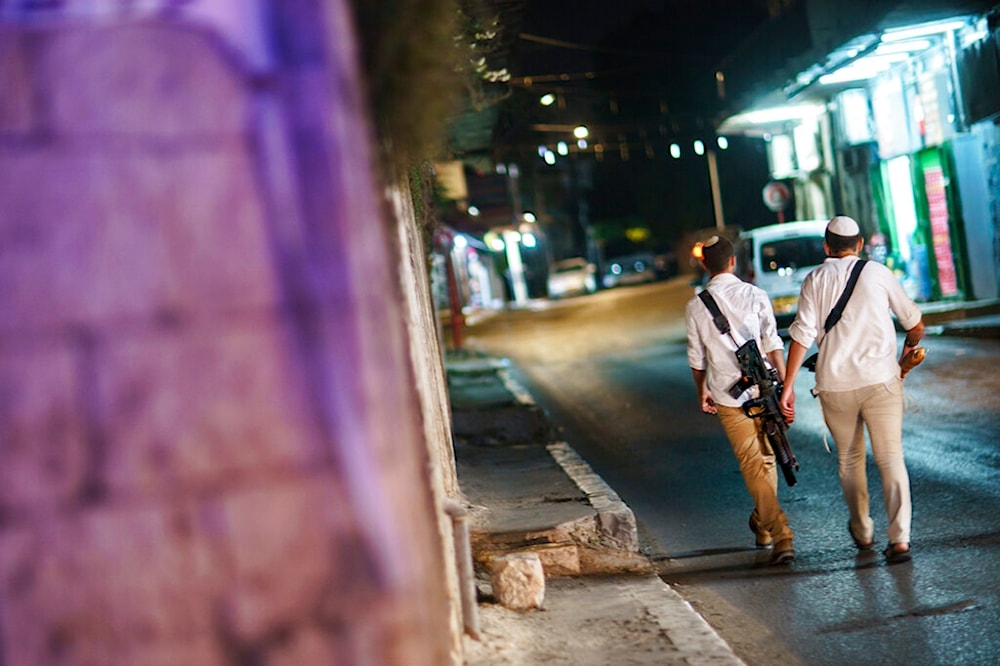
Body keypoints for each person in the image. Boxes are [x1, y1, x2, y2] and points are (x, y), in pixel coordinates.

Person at [779, 215, 924, 565]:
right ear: (860, 245)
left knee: (849, 460)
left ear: (827, 246)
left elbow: (800, 336)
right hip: (881, 381)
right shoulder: (877, 273)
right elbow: (915, 325)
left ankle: (862, 531)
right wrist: (903, 358)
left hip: (835, 386)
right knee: (890, 457)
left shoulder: (814, 279)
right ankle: (900, 539)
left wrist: (788, 387)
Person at [685, 235, 795, 565]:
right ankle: (765, 525)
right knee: (766, 460)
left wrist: (701, 389)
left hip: (728, 396)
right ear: (733, 262)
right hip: (765, 390)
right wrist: (785, 387)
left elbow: (696, 358)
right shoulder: (755, 294)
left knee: (757, 462)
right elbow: (773, 342)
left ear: (705, 265)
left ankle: (778, 532)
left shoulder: (696, 306)